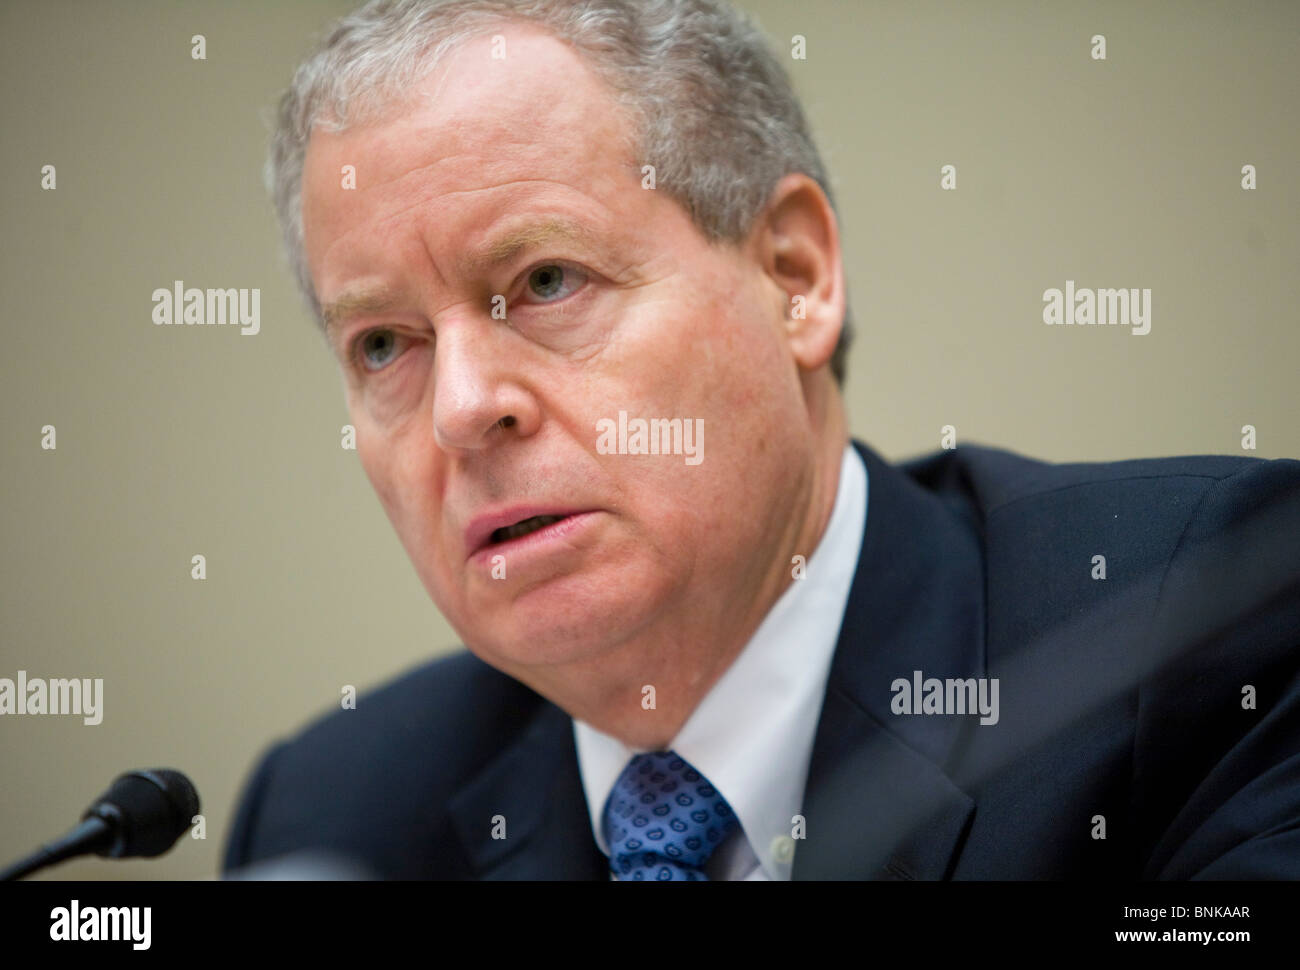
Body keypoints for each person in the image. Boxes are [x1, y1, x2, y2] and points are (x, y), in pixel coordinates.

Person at [224, 0, 1300, 880]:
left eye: (544, 282)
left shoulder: (1204, 622)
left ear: (793, 276)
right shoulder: (330, 818)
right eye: (381, 345)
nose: (463, 406)